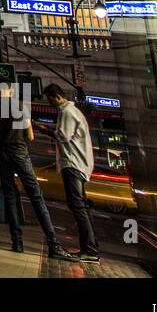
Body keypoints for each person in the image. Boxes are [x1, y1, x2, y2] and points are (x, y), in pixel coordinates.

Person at [0, 87, 74, 259]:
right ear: (10, 91)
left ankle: (17, 242)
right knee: (36, 196)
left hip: (2, 155)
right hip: (19, 153)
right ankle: (53, 244)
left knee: (10, 196)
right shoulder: (20, 106)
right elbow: (30, 135)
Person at [44, 84, 100, 262]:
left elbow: (62, 136)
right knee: (81, 207)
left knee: (78, 207)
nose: (49, 103)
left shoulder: (67, 112)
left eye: (49, 99)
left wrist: (42, 130)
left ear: (56, 97)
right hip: (78, 164)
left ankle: (90, 250)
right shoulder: (73, 112)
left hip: (73, 164)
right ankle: (91, 247)